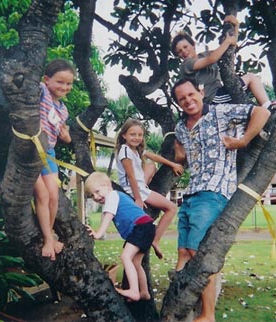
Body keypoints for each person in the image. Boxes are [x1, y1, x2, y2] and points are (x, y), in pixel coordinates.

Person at [171, 78, 270, 322]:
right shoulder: (181, 127)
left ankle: (208, 314)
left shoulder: (222, 112)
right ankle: (178, 307)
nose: (188, 100)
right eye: (182, 98)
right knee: (183, 252)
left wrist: (242, 140)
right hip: (191, 192)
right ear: (178, 103)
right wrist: (177, 156)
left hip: (214, 192)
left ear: (201, 92)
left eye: (191, 94)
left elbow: (261, 112)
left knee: (199, 252)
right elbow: (180, 149)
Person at [171, 15, 276, 110]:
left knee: (252, 90)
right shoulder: (186, 65)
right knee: (251, 78)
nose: (183, 51)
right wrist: (227, 41)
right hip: (213, 98)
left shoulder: (204, 55)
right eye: (179, 51)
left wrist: (235, 26)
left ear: (193, 45)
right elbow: (212, 59)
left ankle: (264, 107)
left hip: (220, 93)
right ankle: (267, 106)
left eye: (185, 47)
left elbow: (228, 50)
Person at [115, 119, 184, 259]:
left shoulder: (135, 150)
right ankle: (156, 239)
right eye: (132, 134)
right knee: (171, 208)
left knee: (151, 165)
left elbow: (153, 156)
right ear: (124, 135)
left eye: (140, 135)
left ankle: (154, 239)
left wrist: (172, 164)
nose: (137, 138)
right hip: (136, 190)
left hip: (140, 187)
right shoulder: (125, 152)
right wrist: (139, 199)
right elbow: (131, 177)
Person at [85, 171, 156, 302]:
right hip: (146, 227)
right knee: (135, 262)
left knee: (125, 256)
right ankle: (144, 292)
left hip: (140, 227)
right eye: (91, 195)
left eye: (97, 191)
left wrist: (98, 233)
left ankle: (134, 291)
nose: (95, 197)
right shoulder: (120, 197)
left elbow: (108, 216)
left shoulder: (112, 195)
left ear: (107, 185)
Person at [34, 59, 74, 261]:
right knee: (42, 194)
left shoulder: (63, 110)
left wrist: (66, 136)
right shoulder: (41, 92)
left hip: (48, 152)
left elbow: (61, 132)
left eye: (68, 84)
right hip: (30, 151)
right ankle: (48, 238)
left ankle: (48, 235)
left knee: (53, 195)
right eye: (60, 82)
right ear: (46, 80)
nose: (64, 87)